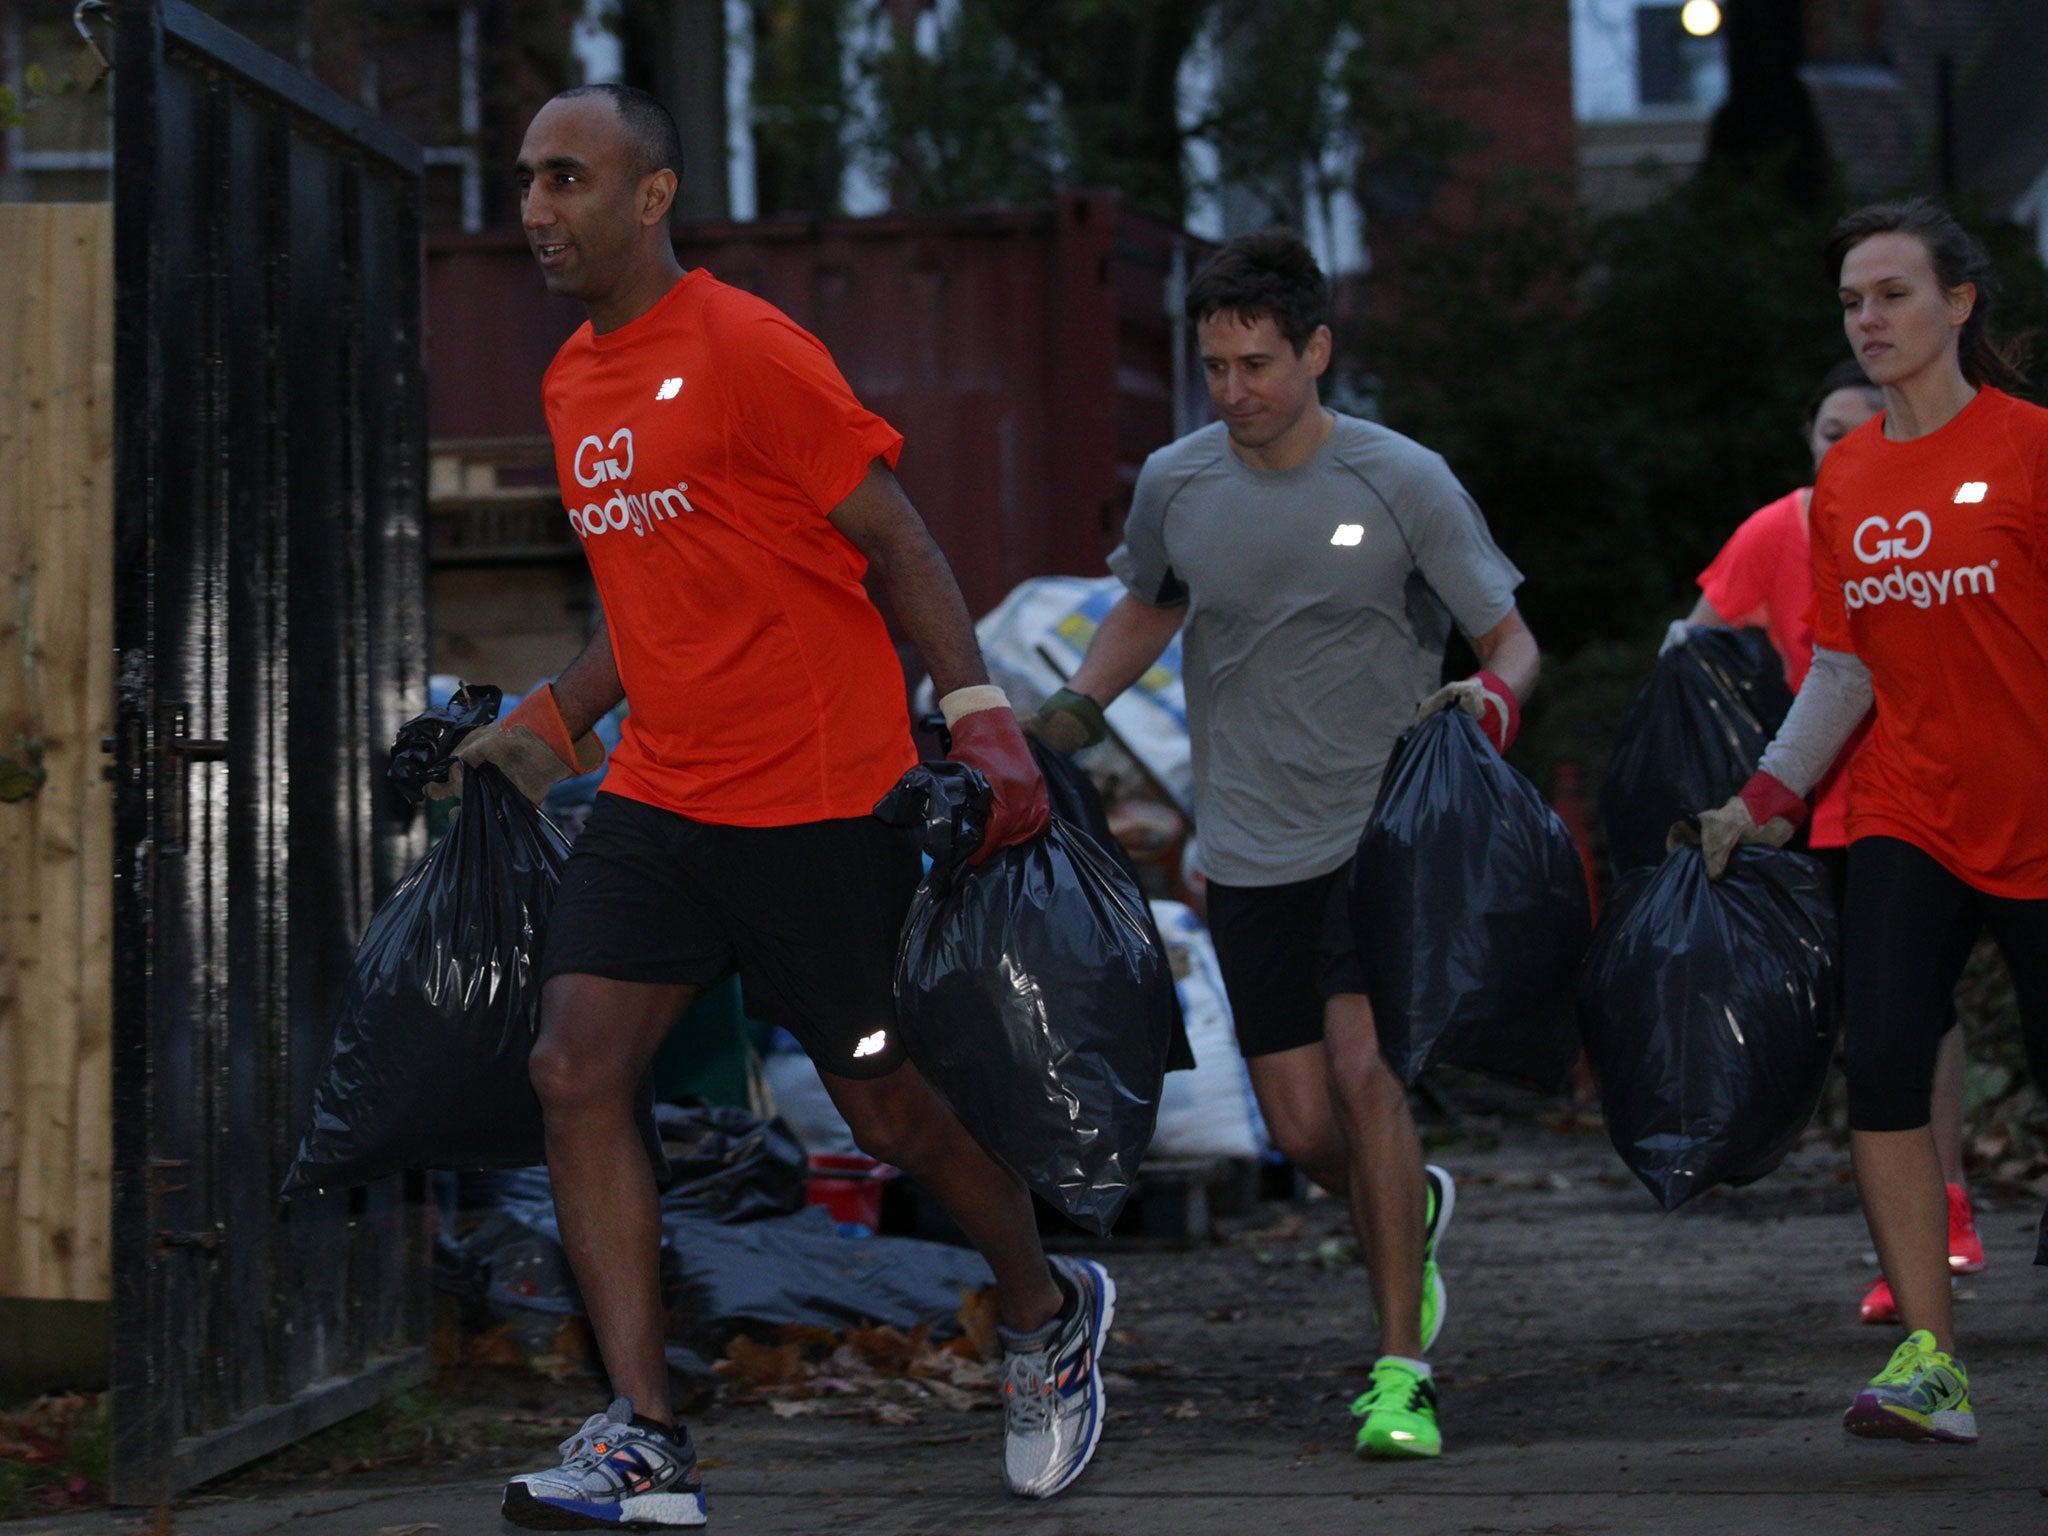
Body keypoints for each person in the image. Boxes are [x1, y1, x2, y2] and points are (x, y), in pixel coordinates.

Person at [447, 85, 1116, 1529]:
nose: (536, 209)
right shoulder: (572, 383)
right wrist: (554, 717)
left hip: (822, 805)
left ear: (650, 196)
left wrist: (985, 724)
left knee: (890, 1120)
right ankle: (646, 1439)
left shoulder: (750, 350)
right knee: (574, 1071)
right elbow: (650, 596)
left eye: (567, 180)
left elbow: (899, 539)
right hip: (663, 800)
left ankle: (1046, 1307)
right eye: (524, 181)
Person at [1031, 231, 1539, 1462]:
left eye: (1256, 364)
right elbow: (1148, 602)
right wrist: (1062, 718)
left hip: (1382, 835)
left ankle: (1396, 1374)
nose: (1233, 391)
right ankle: (1403, 1212)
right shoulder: (1176, 482)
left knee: (1368, 1081)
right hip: (1249, 847)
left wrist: (1489, 704)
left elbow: (1508, 638)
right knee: (1306, 1128)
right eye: (1213, 367)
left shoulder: (1400, 479)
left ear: (1316, 351)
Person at [1686, 198, 2048, 1447]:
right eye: (1851, 300)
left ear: (1957, 304)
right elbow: (1840, 669)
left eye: (1891, 294)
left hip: (2039, 815)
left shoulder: (2031, 448)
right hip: (1904, 811)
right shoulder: (1844, 476)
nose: (1868, 318)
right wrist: (1763, 797)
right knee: (1884, 1065)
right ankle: (1930, 1363)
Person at [1665, 360, 1986, 1323]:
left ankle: (1950, 1204)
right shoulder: (1784, 527)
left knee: (1923, 1012)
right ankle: (1926, 1262)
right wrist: (1732, 779)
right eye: (1828, 433)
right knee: (1885, 1022)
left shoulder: (1964, 491)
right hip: (1838, 809)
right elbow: (1697, 648)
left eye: (1866, 425)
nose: (1847, 446)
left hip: (1973, 799)